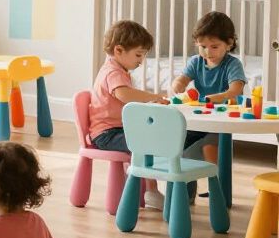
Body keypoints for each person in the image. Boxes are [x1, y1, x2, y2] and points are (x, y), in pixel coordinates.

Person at [88, 19, 170, 210]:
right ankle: (151, 191)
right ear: (118, 51)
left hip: (114, 130)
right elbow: (124, 94)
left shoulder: (117, 70)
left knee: (147, 138)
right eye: (138, 55)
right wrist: (152, 97)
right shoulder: (113, 72)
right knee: (144, 142)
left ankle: (137, 183)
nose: (141, 61)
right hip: (106, 134)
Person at [170, 11, 247, 167]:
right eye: (203, 46)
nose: (207, 52)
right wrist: (178, 84)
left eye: (214, 46)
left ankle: (215, 185)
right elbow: (182, 79)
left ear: (229, 44)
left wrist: (215, 98)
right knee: (180, 144)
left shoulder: (232, 64)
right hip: (202, 115)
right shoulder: (196, 62)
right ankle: (184, 187)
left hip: (222, 118)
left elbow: (236, 90)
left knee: (210, 147)